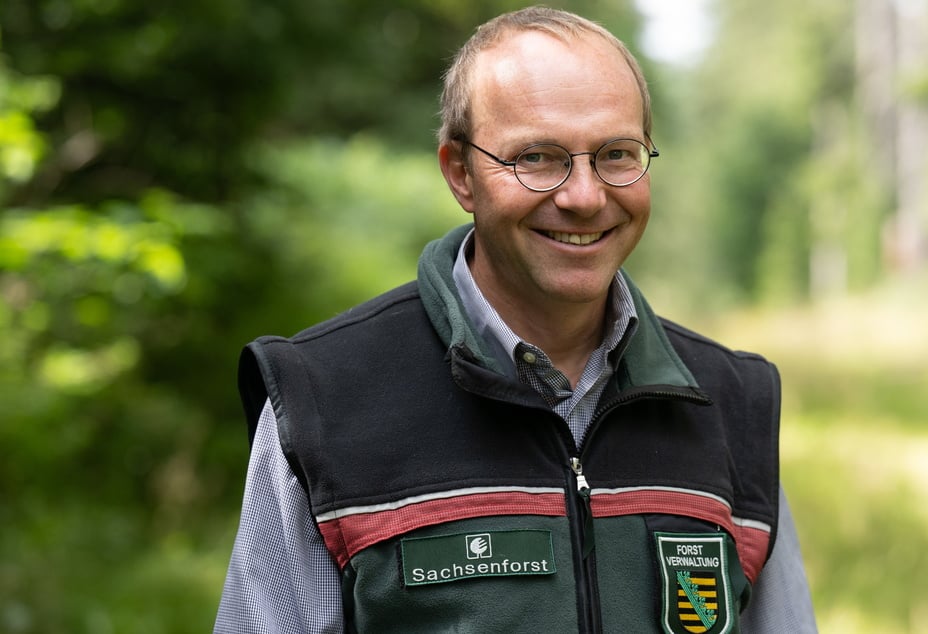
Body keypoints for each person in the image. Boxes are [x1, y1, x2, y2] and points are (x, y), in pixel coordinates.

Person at [215, 6, 817, 633]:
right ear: (461, 175)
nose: (584, 197)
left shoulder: (731, 405)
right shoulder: (324, 400)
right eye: (537, 157)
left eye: (615, 154)